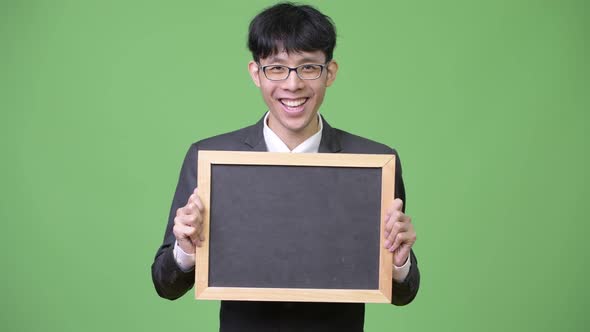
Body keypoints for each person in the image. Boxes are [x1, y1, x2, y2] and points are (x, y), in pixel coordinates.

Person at [152, 2, 420, 331]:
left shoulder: (375, 163)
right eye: (277, 68)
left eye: (308, 68)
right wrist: (185, 247)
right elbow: (166, 284)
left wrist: (399, 261)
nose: (292, 85)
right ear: (256, 73)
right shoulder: (210, 158)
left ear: (330, 72)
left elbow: (404, 293)